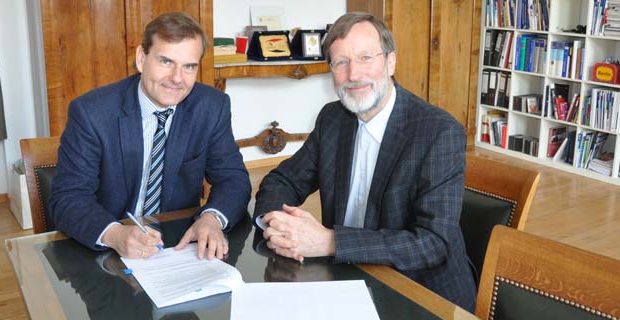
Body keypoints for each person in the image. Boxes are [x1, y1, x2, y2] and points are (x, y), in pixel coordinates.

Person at [254, 12, 476, 312]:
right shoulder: (333, 119)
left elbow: (433, 243)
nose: (354, 74)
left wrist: (330, 242)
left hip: (421, 293)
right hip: (351, 277)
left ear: (391, 62)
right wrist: (280, 225)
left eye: (365, 57)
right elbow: (282, 181)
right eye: (341, 62)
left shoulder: (438, 132)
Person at [50, 12, 250, 261]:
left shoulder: (211, 106)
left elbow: (233, 179)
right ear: (141, 59)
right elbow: (68, 197)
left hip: (178, 246)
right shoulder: (92, 113)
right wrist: (115, 234)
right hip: (107, 250)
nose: (177, 78)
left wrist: (212, 218)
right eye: (166, 62)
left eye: (189, 66)